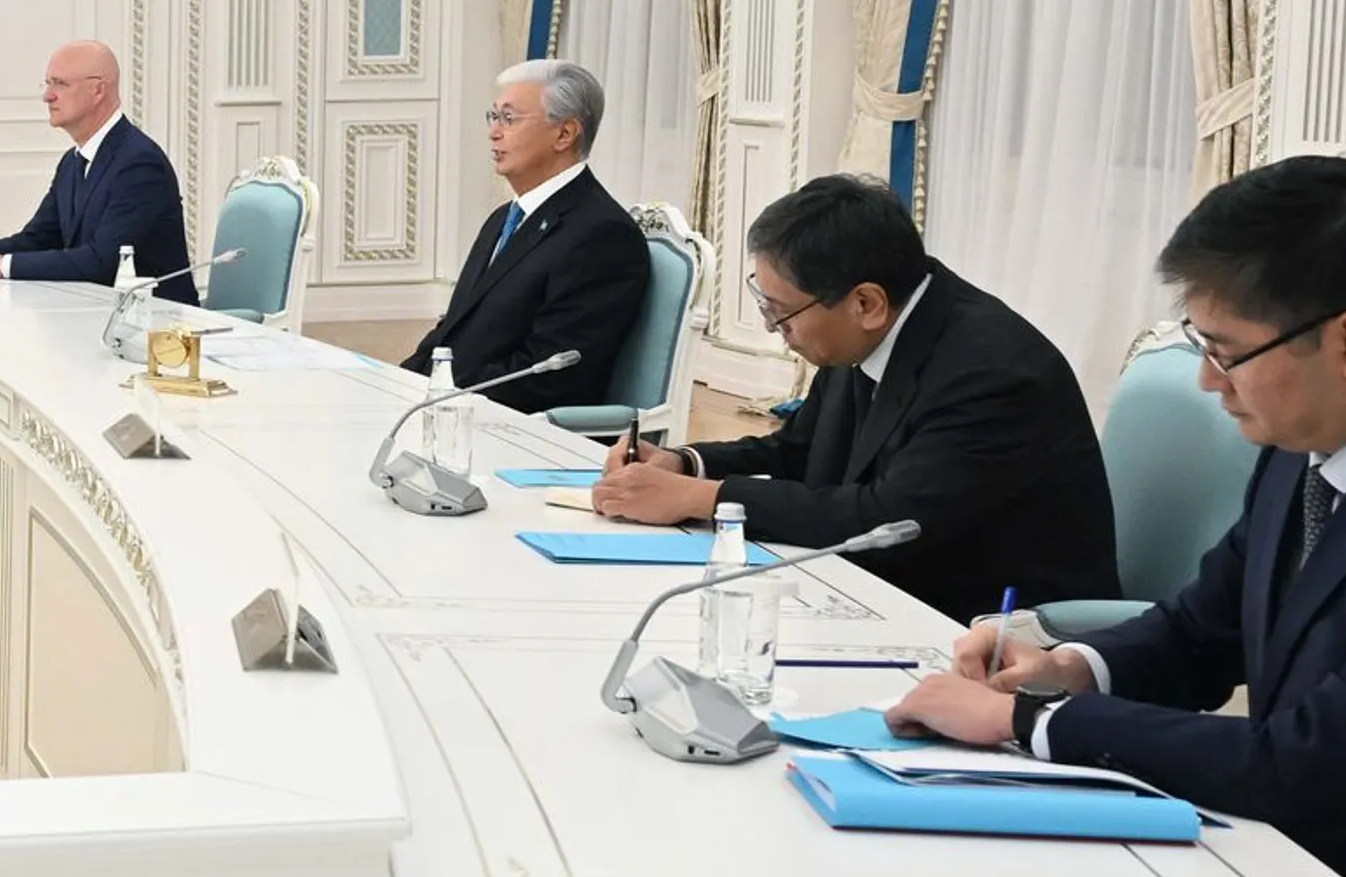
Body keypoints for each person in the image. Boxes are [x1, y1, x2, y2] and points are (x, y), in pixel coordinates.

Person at [892, 155, 1346, 877]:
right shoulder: (1309, 442)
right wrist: (1069, 669)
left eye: (1227, 353)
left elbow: (1315, 765)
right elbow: (1202, 630)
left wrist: (1029, 720)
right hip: (1276, 875)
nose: (1207, 381)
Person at [593, 173, 1119, 617]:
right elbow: (797, 449)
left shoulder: (991, 375)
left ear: (866, 303)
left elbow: (889, 520)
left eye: (782, 312)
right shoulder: (870, 327)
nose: (774, 327)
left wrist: (702, 499)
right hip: (880, 590)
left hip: (989, 630)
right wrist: (685, 463)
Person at [397, 60, 648, 417]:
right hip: (451, 410)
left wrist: (441, 396)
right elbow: (453, 332)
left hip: (511, 428)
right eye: (493, 116)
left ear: (564, 134)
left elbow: (551, 374)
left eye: (509, 119)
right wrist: (399, 383)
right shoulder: (504, 218)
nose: (493, 132)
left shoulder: (602, 235)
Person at [0, 40, 196, 299]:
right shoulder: (72, 161)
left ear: (97, 90)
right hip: (92, 308)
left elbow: (102, 261)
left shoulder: (139, 164)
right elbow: (40, 238)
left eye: (60, 84)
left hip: (154, 319)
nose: (47, 96)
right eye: (48, 83)